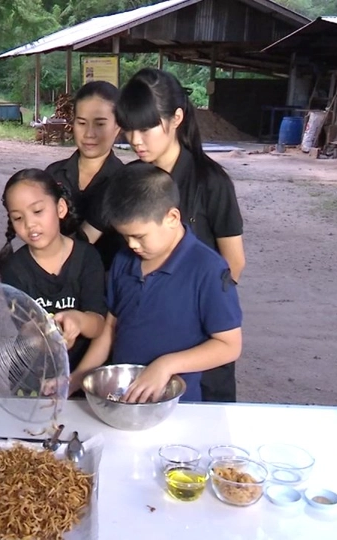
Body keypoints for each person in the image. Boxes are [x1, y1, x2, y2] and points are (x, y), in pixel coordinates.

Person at [115, 67, 245, 403]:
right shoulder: (129, 179)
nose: (136, 140)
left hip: (199, 349)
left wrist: (188, 314)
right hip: (138, 340)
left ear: (176, 118)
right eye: (129, 129)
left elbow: (233, 264)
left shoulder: (211, 182)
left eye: (146, 128)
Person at [68, 162, 242, 404]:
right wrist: (78, 377)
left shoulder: (207, 269)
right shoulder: (124, 261)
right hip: (122, 396)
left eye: (139, 236)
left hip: (179, 406)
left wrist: (166, 365)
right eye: (125, 236)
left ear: (172, 217)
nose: (131, 245)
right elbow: (109, 328)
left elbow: (229, 345)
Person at [0, 169, 107, 380]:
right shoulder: (14, 269)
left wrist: (79, 320)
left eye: (37, 211)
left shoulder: (87, 258)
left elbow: (98, 325)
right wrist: (47, 336)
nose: (30, 224)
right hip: (35, 376)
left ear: (60, 208)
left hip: (80, 374)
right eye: (18, 217)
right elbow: (27, 332)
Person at [45, 81, 125, 271]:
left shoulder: (126, 182)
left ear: (117, 126)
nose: (89, 133)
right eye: (82, 123)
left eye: (100, 124)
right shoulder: (52, 175)